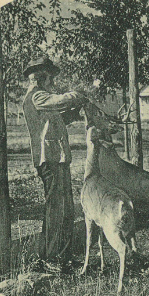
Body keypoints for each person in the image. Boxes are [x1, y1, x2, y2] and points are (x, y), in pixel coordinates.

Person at [22, 55, 89, 265]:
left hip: (57, 159)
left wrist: (74, 113)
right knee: (56, 210)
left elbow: (56, 121)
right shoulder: (37, 97)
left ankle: (60, 256)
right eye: (50, 78)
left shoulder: (43, 100)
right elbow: (60, 100)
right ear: (41, 78)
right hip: (49, 160)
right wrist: (78, 96)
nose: (53, 83)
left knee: (64, 209)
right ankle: (53, 259)